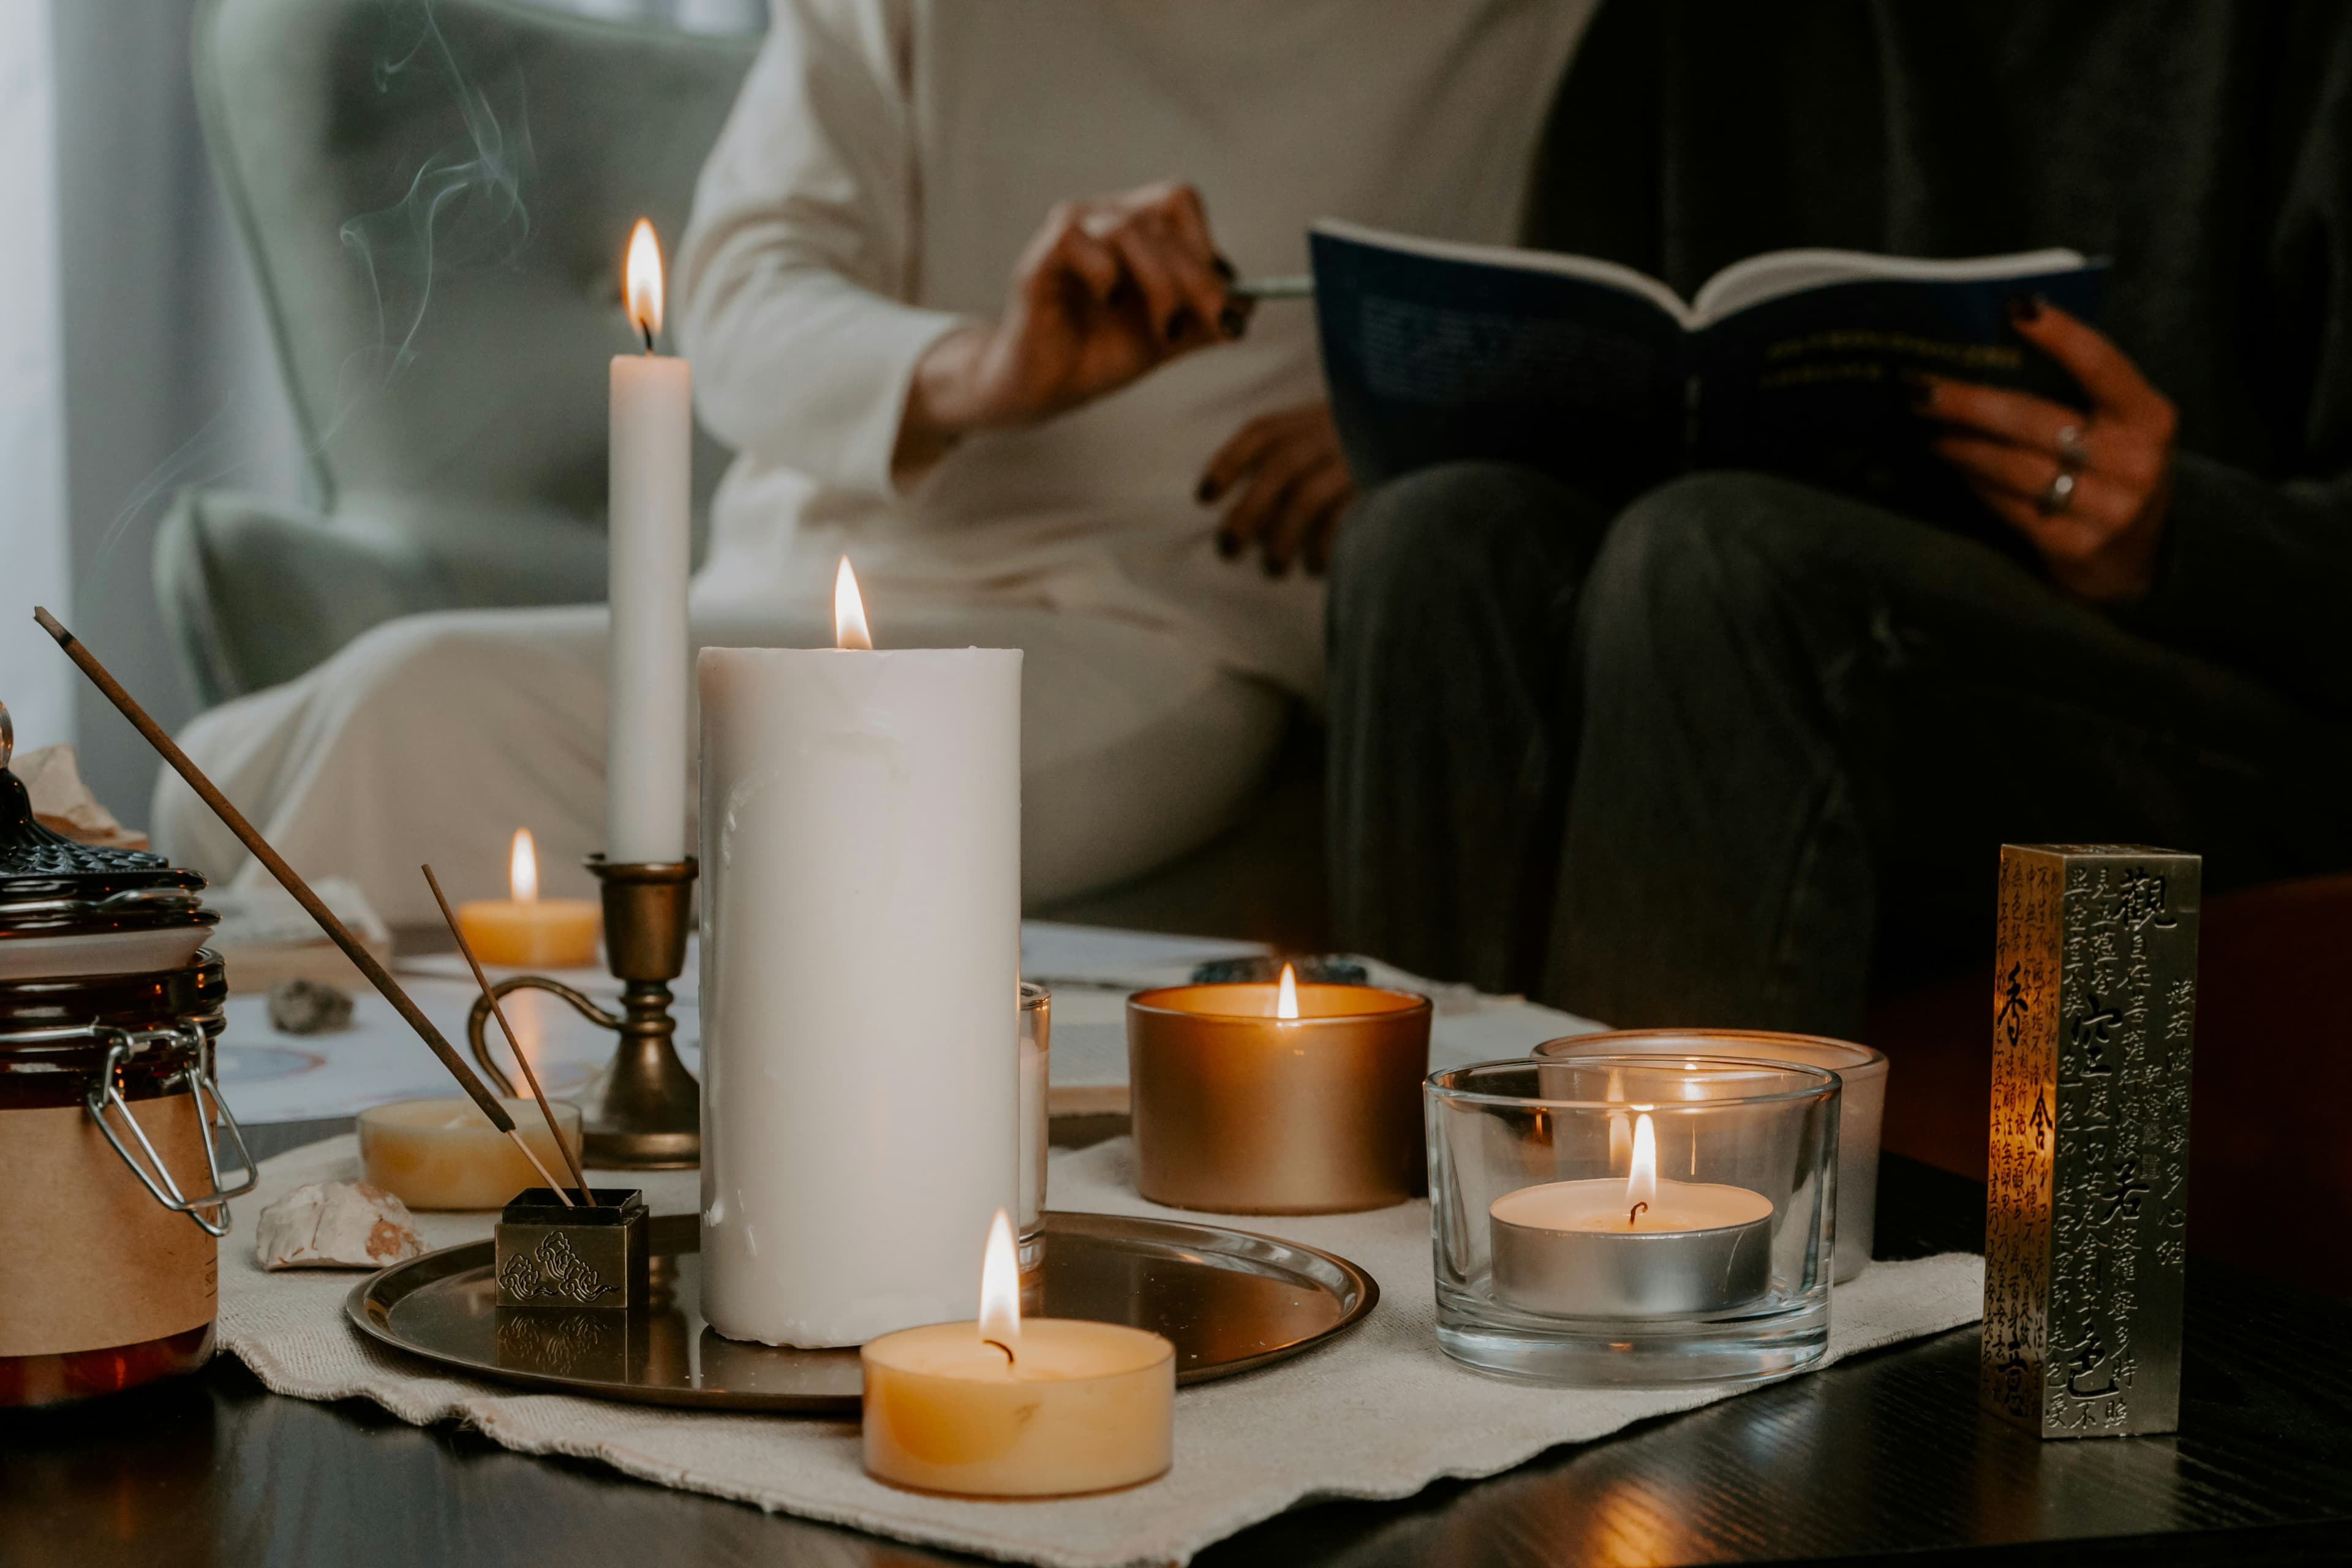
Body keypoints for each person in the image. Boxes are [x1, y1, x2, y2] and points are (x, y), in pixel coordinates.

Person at [157, 0, 1595, 923]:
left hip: (1148, 627)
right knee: (295, 748)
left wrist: (1423, 414)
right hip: (795, 583)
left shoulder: (1532, 32)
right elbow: (742, 288)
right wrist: (987, 368)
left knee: (406, 716)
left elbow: (1624, 325)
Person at [1326, 0, 2352, 1037]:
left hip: (2206, 722)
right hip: (1730, 679)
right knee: (1434, 540)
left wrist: (2181, 534)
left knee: (1721, 560)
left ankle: (1654, 1198)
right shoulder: (1683, 33)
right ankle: (1400, 1178)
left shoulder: (2299, 45)